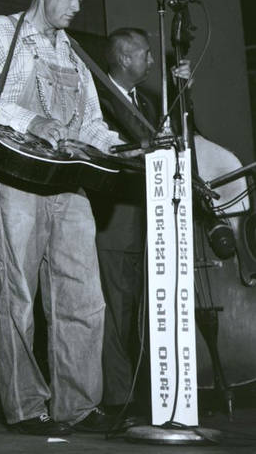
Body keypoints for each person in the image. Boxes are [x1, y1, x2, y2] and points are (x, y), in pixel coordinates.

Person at [0, 0, 122, 436]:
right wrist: (31, 119)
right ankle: (26, 406)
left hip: (69, 185)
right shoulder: (2, 33)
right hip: (14, 184)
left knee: (83, 296)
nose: (77, 6)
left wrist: (118, 146)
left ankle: (78, 404)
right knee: (19, 298)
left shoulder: (72, 52)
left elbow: (91, 122)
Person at [93, 28, 189, 415]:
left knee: (140, 312)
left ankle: (150, 395)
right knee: (115, 313)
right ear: (124, 59)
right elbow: (111, 152)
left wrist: (183, 95)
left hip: (150, 225)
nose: (152, 61)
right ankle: (118, 399)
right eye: (146, 55)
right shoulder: (100, 101)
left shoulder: (148, 103)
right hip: (114, 224)